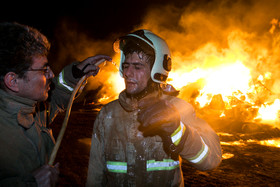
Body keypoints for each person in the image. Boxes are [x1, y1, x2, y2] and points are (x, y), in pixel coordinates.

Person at [86, 29, 222, 186]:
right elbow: (95, 175)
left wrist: (177, 131)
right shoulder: (107, 114)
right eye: (126, 65)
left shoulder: (177, 109)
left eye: (137, 67)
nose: (128, 73)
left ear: (157, 71)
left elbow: (211, 160)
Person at [0, 22, 112, 187]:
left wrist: (76, 73)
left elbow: (56, 99)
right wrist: (32, 184)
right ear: (13, 81)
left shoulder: (31, 110)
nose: (52, 74)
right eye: (43, 70)